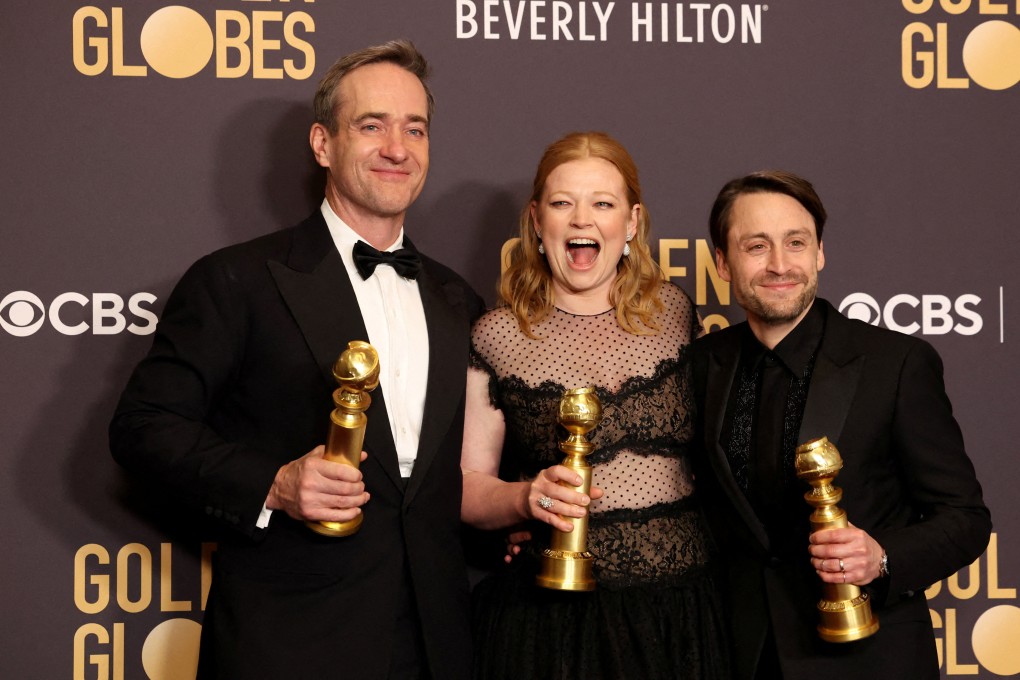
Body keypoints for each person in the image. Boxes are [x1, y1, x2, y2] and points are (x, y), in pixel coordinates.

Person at [110, 40, 482, 680]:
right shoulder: (236, 280)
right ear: (322, 144)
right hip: (288, 644)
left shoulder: (459, 301)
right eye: (372, 126)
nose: (398, 148)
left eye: (414, 128)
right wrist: (273, 485)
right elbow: (143, 427)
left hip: (437, 645)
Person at [691, 169, 991, 679]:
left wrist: (882, 557)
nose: (780, 265)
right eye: (756, 246)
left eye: (796, 243)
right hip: (739, 655)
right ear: (723, 262)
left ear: (820, 253)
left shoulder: (896, 363)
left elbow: (965, 518)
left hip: (870, 658)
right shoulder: (701, 365)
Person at [461, 131, 729, 680]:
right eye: (563, 204)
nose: (582, 220)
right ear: (537, 221)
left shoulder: (676, 313)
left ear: (631, 223)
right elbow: (466, 486)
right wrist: (524, 499)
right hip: (549, 625)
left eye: (602, 204)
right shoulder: (497, 335)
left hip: (678, 617)